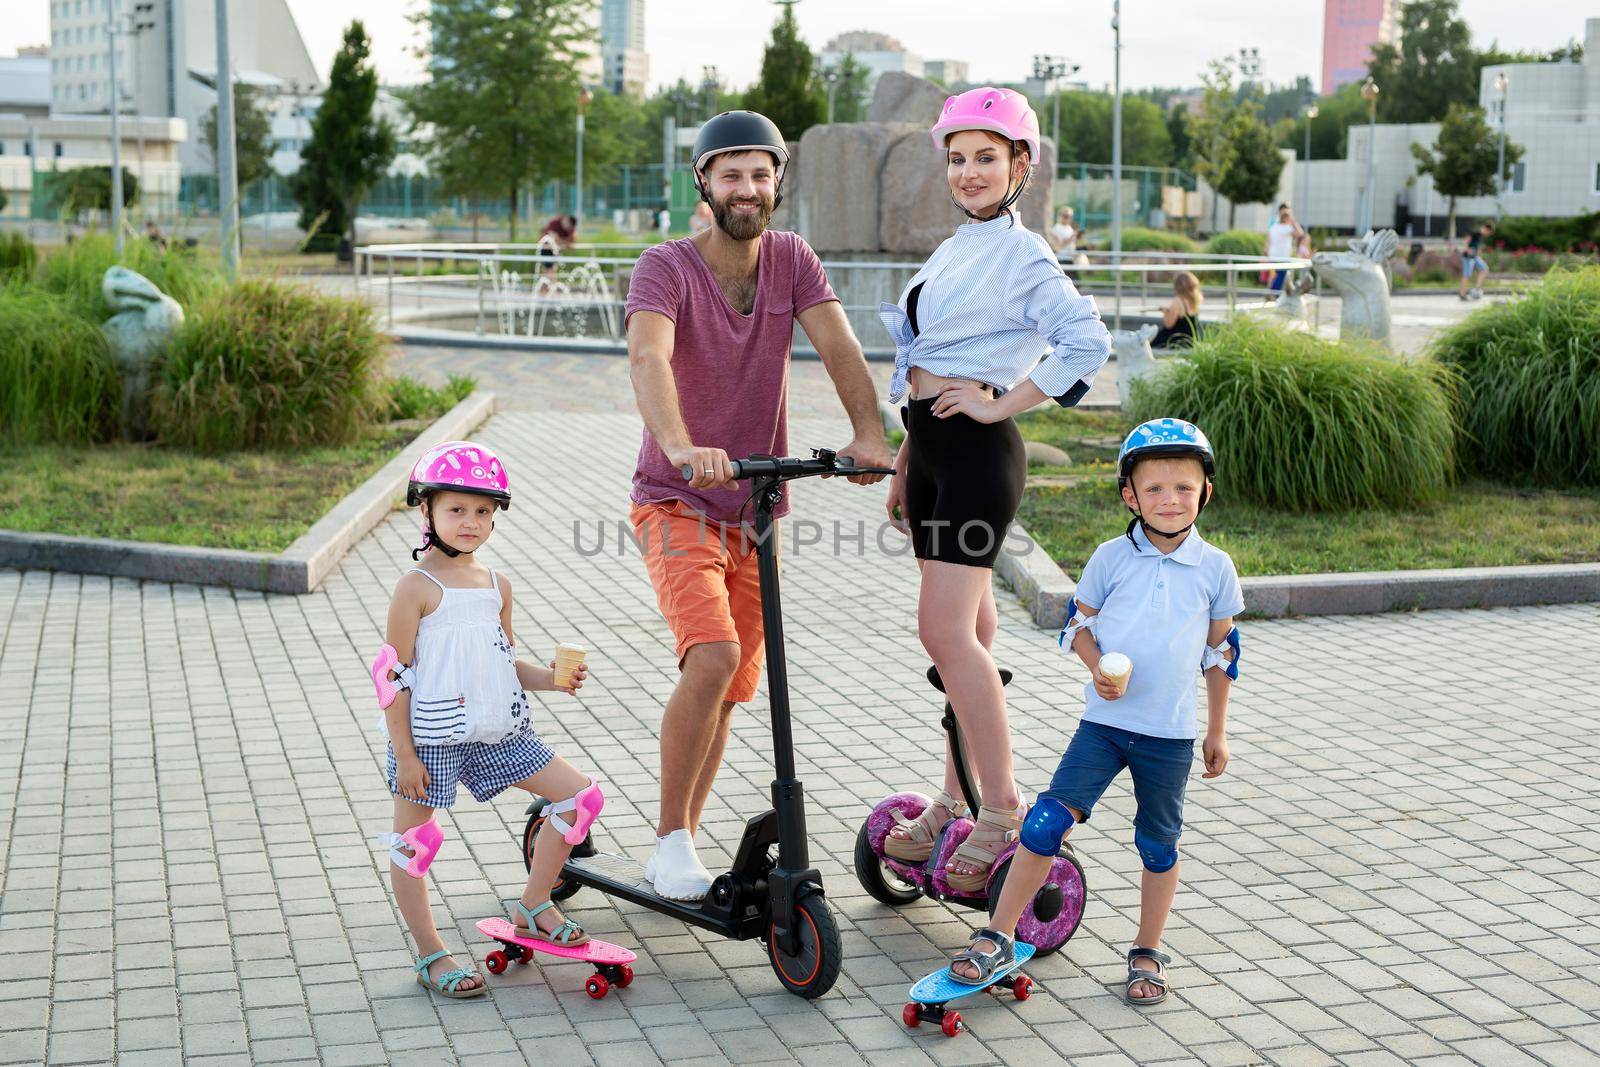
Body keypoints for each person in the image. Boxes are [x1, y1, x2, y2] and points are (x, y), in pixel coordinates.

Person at [625, 110, 894, 900]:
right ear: (704, 183)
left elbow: (840, 345)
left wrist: (869, 433)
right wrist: (680, 445)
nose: (747, 188)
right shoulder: (664, 266)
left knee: (735, 687)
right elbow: (649, 355)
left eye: (760, 173)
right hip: (677, 500)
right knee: (709, 657)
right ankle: (670, 838)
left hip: (753, 510)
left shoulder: (792, 260)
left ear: (779, 182)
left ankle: (682, 843)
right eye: (731, 173)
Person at [878, 87, 1111, 893]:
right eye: (957, 158)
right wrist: (910, 456)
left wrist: (1000, 401)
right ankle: (953, 795)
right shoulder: (955, 248)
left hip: (977, 456)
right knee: (966, 639)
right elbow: (921, 361)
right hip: (937, 453)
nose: (969, 172)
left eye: (987, 157)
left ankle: (1003, 806)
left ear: (1021, 165)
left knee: (942, 631)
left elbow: (1087, 341)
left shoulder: (1023, 253)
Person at [944, 419, 1242, 1006]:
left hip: (1169, 736)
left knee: (1158, 843)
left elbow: (1221, 652)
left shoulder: (1216, 568)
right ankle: (997, 934)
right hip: (1103, 728)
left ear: (1204, 491)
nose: (1170, 500)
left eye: (1184, 487)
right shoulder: (1112, 557)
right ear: (1130, 495)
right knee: (1045, 824)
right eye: (1154, 489)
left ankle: (1147, 950)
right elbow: (1078, 623)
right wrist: (1096, 667)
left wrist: (1217, 731)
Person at [375, 440, 599, 997]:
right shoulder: (416, 589)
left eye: (483, 511)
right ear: (425, 511)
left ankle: (534, 905)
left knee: (580, 798)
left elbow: (504, 662)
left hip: (499, 730)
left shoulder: (498, 585)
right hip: (430, 738)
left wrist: (552, 678)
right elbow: (392, 677)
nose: (471, 522)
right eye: (456, 509)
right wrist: (404, 753)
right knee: (415, 842)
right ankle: (431, 955)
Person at [1151, 271, 1202, 349]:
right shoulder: (1195, 300)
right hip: (1190, 340)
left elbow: (1169, 325)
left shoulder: (1178, 301)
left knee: (1149, 342)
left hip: (1176, 341)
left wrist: (1165, 312)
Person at [1263, 204, 1301, 294]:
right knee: (1280, 276)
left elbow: (1268, 239)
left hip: (1273, 255)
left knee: (1273, 276)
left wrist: (1266, 250)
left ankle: (1270, 294)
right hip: (1283, 257)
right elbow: (1301, 235)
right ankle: (1273, 294)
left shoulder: (1273, 226)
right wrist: (1293, 221)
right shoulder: (1287, 228)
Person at [1459, 220, 1493, 301]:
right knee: (1467, 275)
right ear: (1486, 229)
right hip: (1468, 257)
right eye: (1489, 232)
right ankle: (1462, 294)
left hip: (1475, 257)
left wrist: (1479, 255)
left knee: (1484, 269)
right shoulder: (1475, 233)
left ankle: (1477, 288)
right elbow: (1466, 241)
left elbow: (1477, 246)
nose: (1488, 234)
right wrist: (1467, 249)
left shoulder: (1481, 236)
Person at [539, 214, 577, 278]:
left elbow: (571, 243)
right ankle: (545, 286)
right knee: (546, 272)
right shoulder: (555, 223)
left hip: (555, 250)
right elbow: (552, 237)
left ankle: (551, 286)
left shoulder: (570, 228)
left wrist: (562, 241)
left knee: (553, 271)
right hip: (546, 248)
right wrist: (564, 242)